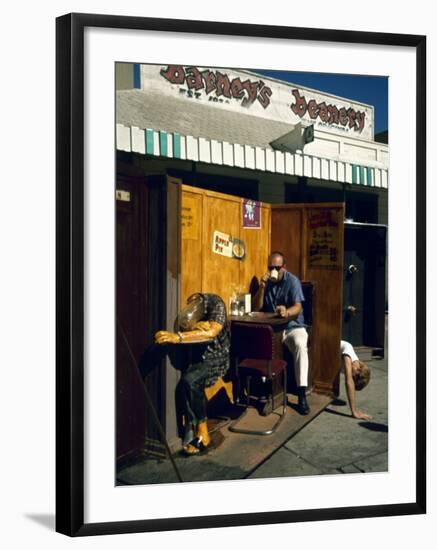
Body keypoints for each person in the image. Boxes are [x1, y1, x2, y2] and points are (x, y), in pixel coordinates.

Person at [150, 293, 230, 455]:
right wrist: (196, 326)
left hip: (217, 356)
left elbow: (211, 332)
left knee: (190, 380)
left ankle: (203, 434)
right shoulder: (195, 305)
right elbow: (188, 324)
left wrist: (177, 337)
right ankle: (193, 428)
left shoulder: (217, 304)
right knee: (190, 383)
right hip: (197, 355)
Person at [252, 251, 310, 415]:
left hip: (292, 326)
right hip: (273, 329)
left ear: (284, 267)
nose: (274, 270)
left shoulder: (292, 281)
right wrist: (262, 288)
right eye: (271, 267)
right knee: (258, 342)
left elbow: (298, 307)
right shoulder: (268, 282)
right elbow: (256, 308)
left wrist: (287, 312)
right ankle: (265, 388)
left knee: (300, 345)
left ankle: (301, 394)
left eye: (277, 267)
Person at [340, 340, 372, 420]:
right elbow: (348, 382)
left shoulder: (355, 365)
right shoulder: (348, 354)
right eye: (353, 378)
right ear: (358, 371)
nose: (351, 376)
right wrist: (354, 411)